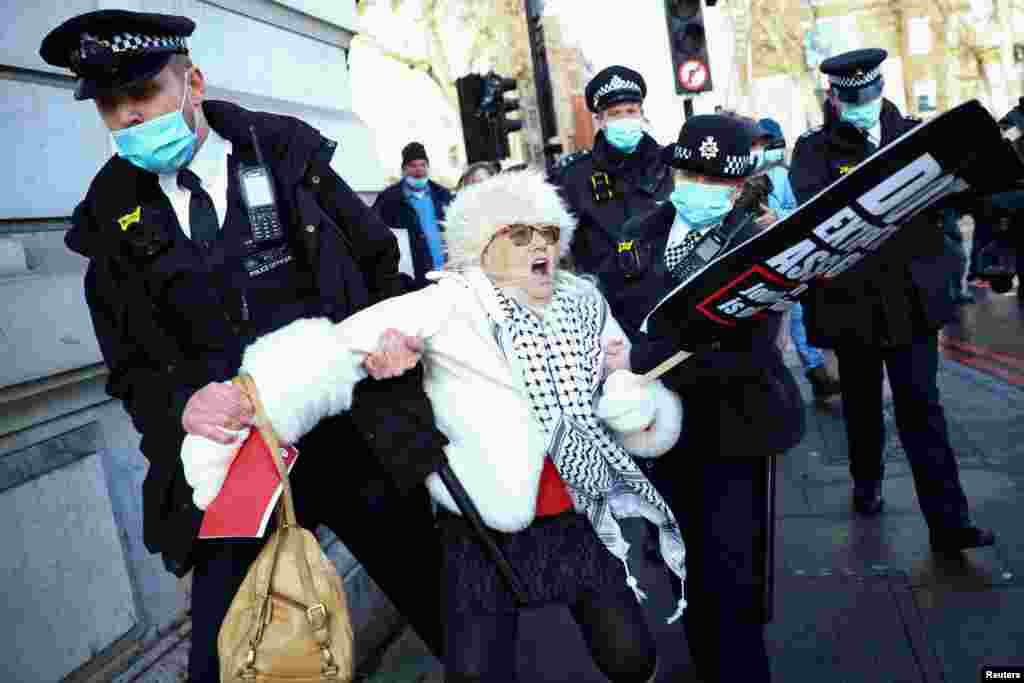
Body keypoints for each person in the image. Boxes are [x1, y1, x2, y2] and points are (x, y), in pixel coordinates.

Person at [40, 10, 449, 680]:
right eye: (112, 108)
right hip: (239, 462)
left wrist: (396, 336)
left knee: (450, 615)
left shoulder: (287, 156)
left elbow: (378, 270)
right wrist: (183, 405)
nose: (129, 120)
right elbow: (131, 370)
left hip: (353, 431)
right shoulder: (109, 220)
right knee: (222, 660)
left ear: (192, 82)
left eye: (142, 96)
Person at [230, 171, 689, 682]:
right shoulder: (449, 302)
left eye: (548, 233)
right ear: (480, 245)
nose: (539, 244)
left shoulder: (582, 300)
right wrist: (247, 398)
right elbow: (335, 350)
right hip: (478, 525)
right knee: (476, 671)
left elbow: (622, 379)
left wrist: (633, 400)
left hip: (574, 515)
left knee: (629, 654)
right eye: (519, 233)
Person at [602, 114, 806, 683]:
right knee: (684, 573)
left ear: (739, 188)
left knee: (731, 584)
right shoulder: (637, 233)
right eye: (692, 172)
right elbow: (612, 309)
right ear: (673, 170)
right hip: (656, 438)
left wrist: (639, 361)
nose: (703, 187)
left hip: (732, 431)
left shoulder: (758, 246)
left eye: (718, 181)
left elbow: (748, 352)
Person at [789, 48, 996, 551]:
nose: (862, 104)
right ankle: (867, 480)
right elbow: (815, 208)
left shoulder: (916, 136)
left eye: (869, 93)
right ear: (834, 98)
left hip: (909, 300)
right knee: (862, 405)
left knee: (921, 407)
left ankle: (950, 523)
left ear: (880, 89)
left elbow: (959, 196)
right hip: (852, 302)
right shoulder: (814, 150)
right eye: (851, 97)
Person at [749, 117, 842, 400]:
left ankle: (816, 375)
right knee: (775, 330)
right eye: (759, 143)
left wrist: (780, 218)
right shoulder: (747, 177)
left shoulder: (788, 175)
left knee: (798, 321)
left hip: (792, 259)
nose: (764, 148)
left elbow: (802, 211)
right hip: (766, 264)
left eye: (769, 143)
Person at [551, 65, 673, 278]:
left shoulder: (670, 166)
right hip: (608, 302)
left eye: (631, 111)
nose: (625, 119)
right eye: (615, 114)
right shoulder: (573, 177)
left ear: (642, 115)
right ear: (600, 121)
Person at [372, 142, 454, 287]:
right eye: (413, 165)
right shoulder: (388, 199)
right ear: (404, 169)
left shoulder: (443, 195)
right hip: (413, 278)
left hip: (447, 274)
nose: (419, 170)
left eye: (423, 165)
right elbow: (377, 234)